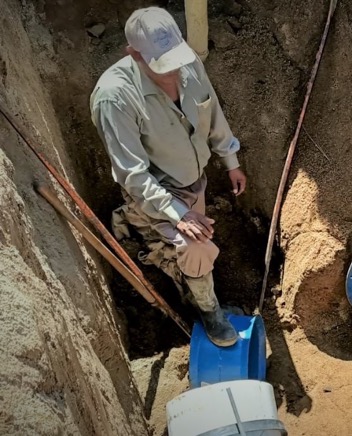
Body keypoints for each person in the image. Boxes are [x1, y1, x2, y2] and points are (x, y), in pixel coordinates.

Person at [90, 7, 247, 347]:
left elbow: (212, 109)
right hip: (155, 192)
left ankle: (194, 286)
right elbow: (132, 174)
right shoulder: (114, 98)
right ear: (133, 55)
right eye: (163, 67)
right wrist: (178, 213)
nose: (175, 73)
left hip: (196, 182)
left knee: (194, 248)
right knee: (195, 244)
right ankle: (209, 313)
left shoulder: (186, 61)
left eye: (176, 62)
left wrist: (230, 159)